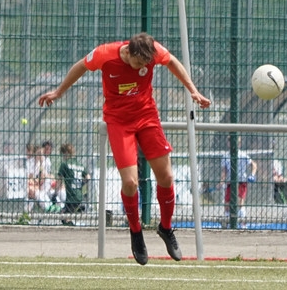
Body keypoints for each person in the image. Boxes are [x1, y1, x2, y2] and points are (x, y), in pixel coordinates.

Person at [38, 32, 211, 264]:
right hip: (119, 122)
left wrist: (193, 90)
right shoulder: (105, 54)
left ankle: (166, 228)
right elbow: (80, 66)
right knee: (130, 183)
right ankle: (136, 231)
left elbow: (172, 61)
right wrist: (59, 92)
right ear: (128, 52)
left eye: (146, 64)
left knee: (167, 176)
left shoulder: (153, 51)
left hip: (147, 117)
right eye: (140, 63)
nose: (143, 67)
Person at [54, 142, 90, 226]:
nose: (63, 157)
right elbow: (88, 177)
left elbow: (59, 180)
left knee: (64, 217)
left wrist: (55, 193)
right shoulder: (80, 164)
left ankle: (71, 230)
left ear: (66, 153)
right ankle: (78, 211)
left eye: (63, 154)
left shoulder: (64, 164)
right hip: (79, 194)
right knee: (65, 214)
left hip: (71, 196)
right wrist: (80, 184)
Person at [220, 139, 257, 220]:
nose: (232, 144)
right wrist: (222, 181)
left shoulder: (243, 155)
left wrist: (252, 175)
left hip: (241, 181)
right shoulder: (225, 156)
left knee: (240, 201)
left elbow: (254, 164)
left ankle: (243, 223)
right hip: (230, 182)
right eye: (230, 141)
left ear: (239, 144)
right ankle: (228, 222)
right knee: (227, 203)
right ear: (228, 143)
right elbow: (224, 170)